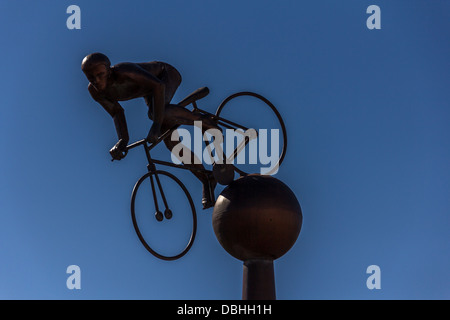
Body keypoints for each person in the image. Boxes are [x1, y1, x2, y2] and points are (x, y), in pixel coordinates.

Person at [81, 52, 218, 209]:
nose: (97, 81)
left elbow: (158, 86)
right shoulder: (95, 91)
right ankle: (207, 178)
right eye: (91, 78)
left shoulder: (125, 71)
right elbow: (116, 112)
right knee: (171, 142)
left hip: (164, 76)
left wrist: (156, 125)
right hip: (149, 92)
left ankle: (203, 121)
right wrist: (122, 141)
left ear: (109, 70)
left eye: (100, 74)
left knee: (155, 115)